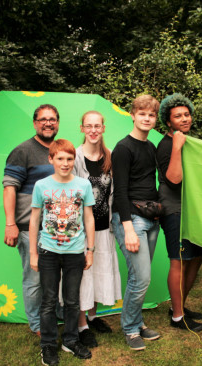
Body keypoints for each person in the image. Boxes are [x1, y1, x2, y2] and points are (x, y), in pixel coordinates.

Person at [29, 139, 96, 364]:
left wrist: (90, 250)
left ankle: (70, 340)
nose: (65, 163)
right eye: (60, 158)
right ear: (51, 159)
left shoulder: (83, 185)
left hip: (76, 252)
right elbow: (35, 219)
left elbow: (88, 217)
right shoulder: (42, 186)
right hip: (48, 251)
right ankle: (47, 345)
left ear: (74, 160)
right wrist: (33, 253)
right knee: (48, 300)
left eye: (69, 158)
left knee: (72, 299)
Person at [2, 104, 60, 336]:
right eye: (43, 119)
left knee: (55, 277)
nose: (48, 123)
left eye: (53, 119)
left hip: (58, 229)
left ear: (58, 122)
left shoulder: (59, 149)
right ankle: (37, 324)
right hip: (29, 228)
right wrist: (10, 223)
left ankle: (54, 315)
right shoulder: (22, 151)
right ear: (35, 123)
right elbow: (9, 188)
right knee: (34, 278)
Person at [111, 95, 162, 351]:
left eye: (151, 115)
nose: (146, 118)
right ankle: (131, 329)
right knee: (140, 278)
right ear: (132, 115)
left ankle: (137, 320)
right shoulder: (123, 148)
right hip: (130, 220)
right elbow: (120, 191)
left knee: (139, 276)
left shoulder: (151, 147)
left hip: (151, 219)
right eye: (142, 113)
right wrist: (128, 227)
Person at [156, 94, 202, 332]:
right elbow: (174, 179)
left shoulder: (189, 141)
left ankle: (180, 306)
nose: (184, 119)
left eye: (187, 114)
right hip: (174, 210)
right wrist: (176, 145)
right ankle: (177, 317)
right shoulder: (167, 144)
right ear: (168, 122)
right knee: (179, 261)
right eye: (178, 116)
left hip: (192, 210)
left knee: (196, 258)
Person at [75, 111, 122, 348]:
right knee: (83, 276)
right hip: (81, 231)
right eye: (88, 126)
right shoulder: (74, 158)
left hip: (105, 227)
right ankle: (82, 325)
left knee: (99, 273)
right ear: (82, 128)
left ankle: (93, 317)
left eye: (98, 126)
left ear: (103, 128)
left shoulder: (110, 157)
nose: (93, 130)